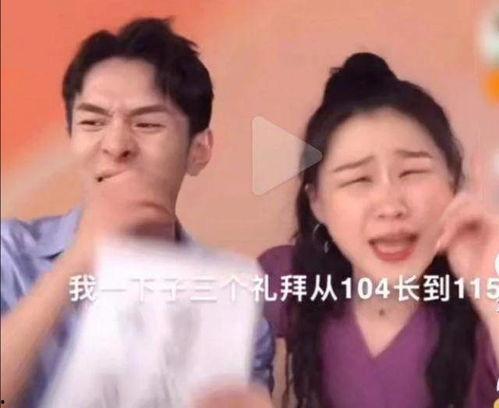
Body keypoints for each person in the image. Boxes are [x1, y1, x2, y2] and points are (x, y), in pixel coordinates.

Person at [1, 18, 274, 407]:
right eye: (92, 122)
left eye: (146, 123)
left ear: (199, 150)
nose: (116, 145)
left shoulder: (232, 302)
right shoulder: (10, 254)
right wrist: (77, 262)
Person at [259, 53, 499, 407]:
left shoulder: (486, 300)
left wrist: (491, 294)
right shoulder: (286, 277)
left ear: (452, 178)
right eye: (358, 179)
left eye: (412, 172)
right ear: (317, 202)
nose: (391, 206)